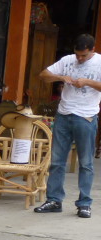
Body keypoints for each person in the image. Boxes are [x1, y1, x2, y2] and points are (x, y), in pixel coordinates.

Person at [35, 34, 101, 218]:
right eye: (77, 54)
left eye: (84, 56)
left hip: (86, 116)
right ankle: (54, 200)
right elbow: (43, 75)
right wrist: (60, 77)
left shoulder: (99, 63)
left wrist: (87, 81)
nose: (79, 59)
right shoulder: (67, 60)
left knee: (86, 163)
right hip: (63, 115)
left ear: (92, 50)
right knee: (57, 161)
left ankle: (85, 203)